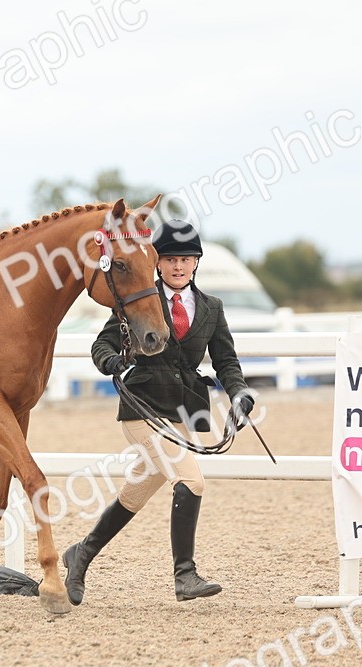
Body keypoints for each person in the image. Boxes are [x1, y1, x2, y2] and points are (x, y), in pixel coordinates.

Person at [63, 218, 256, 604]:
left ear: (196, 263)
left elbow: (226, 361)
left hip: (183, 413)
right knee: (192, 481)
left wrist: (239, 393)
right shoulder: (140, 302)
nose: (178, 267)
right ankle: (185, 575)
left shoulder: (212, 309)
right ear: (157, 264)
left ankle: (80, 554)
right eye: (170, 260)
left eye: (186, 259)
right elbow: (101, 346)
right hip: (142, 409)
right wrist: (118, 365)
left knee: (134, 494)